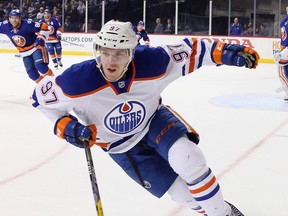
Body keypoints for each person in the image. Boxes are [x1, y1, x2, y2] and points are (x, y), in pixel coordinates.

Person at [31, 20, 259, 215]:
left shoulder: (153, 62)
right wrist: (68, 127)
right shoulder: (76, 81)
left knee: (188, 158)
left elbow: (194, 50)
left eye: (119, 53)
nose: (111, 60)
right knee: (182, 194)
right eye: (105, 51)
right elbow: (39, 100)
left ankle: (224, 213)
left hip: (153, 121)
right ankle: (212, 207)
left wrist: (226, 52)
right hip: (119, 146)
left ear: (131, 53)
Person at [0, 9, 53, 83]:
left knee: (40, 66)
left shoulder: (27, 24)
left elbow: (44, 26)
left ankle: (54, 83)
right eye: (11, 18)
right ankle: (44, 87)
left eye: (16, 18)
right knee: (32, 74)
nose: (13, 20)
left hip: (36, 48)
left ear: (20, 18)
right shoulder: (5, 26)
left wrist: (41, 38)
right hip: (24, 53)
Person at [273, 7, 288, 101]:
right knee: (285, 69)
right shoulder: (284, 22)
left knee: (279, 65)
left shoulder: (284, 22)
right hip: (285, 49)